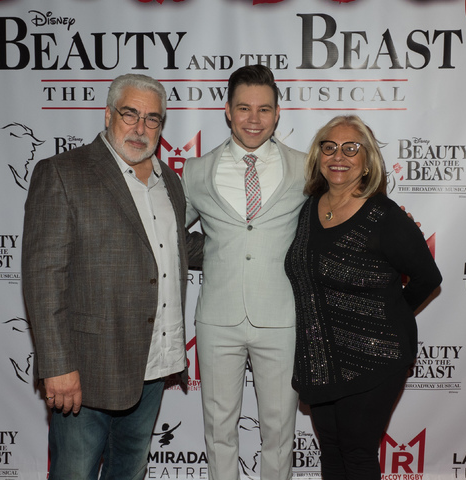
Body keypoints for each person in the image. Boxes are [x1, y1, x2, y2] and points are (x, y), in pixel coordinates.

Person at [22, 73, 202, 480]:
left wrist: (253, 244)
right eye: (130, 114)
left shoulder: (169, 181)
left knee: (130, 472)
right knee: (75, 473)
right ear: (108, 114)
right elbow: (43, 278)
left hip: (153, 366)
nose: (141, 128)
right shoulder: (64, 173)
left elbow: (177, 249)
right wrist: (57, 365)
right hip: (86, 371)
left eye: (152, 119)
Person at [284, 115, 442, 480]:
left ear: (368, 159)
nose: (339, 156)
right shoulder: (309, 207)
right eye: (329, 147)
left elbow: (427, 277)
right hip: (322, 356)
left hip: (376, 357)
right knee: (333, 452)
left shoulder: (384, 216)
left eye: (351, 148)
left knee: (357, 453)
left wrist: (386, 317)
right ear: (318, 156)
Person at [181, 65, 306, 480]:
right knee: (219, 431)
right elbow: (166, 236)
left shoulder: (306, 169)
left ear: (277, 113)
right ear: (228, 111)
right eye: (244, 108)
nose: (254, 119)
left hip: (281, 317)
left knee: (279, 430)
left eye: (264, 109)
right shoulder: (195, 171)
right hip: (217, 318)